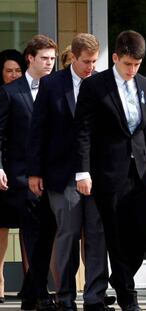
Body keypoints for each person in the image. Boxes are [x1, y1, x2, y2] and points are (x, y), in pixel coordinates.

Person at [27, 33, 112, 311]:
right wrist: (34, 172)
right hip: (61, 174)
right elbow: (38, 131)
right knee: (68, 233)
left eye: (94, 61)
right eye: (86, 61)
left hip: (95, 174)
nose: (90, 67)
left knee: (97, 235)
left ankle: (95, 297)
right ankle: (65, 297)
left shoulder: (102, 84)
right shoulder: (51, 85)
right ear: (72, 57)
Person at [74, 30, 146, 311]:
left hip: (141, 173)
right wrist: (83, 172)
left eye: (137, 64)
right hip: (108, 173)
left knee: (139, 235)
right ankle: (127, 296)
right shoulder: (95, 86)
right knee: (117, 235)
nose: (133, 70)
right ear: (116, 57)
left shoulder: (145, 84)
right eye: (128, 64)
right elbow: (82, 131)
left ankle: (121, 279)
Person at [0, 35, 58, 311]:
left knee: (48, 233)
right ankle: (40, 292)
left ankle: (30, 292)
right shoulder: (11, 92)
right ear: (30, 59)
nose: (50, 63)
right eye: (45, 58)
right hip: (21, 176)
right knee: (35, 233)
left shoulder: (58, 89)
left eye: (52, 59)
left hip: (53, 176)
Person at [0, 48, 27, 304]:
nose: (13, 75)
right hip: (4, 173)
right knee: (2, 227)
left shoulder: (28, 93)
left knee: (31, 228)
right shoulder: (4, 94)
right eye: (8, 71)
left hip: (26, 172)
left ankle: (31, 283)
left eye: (17, 70)